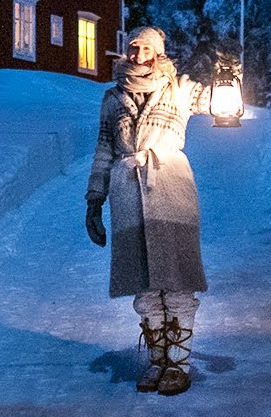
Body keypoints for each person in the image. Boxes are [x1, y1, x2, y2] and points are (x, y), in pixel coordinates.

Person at [85, 25, 211, 396]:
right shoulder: (112, 98)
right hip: (127, 192)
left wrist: (226, 82)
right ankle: (158, 360)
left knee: (177, 278)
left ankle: (179, 363)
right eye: (133, 48)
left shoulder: (178, 88)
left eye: (146, 49)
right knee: (143, 283)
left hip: (170, 185)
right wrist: (94, 200)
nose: (138, 55)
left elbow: (215, 100)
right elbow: (104, 150)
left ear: (158, 53)